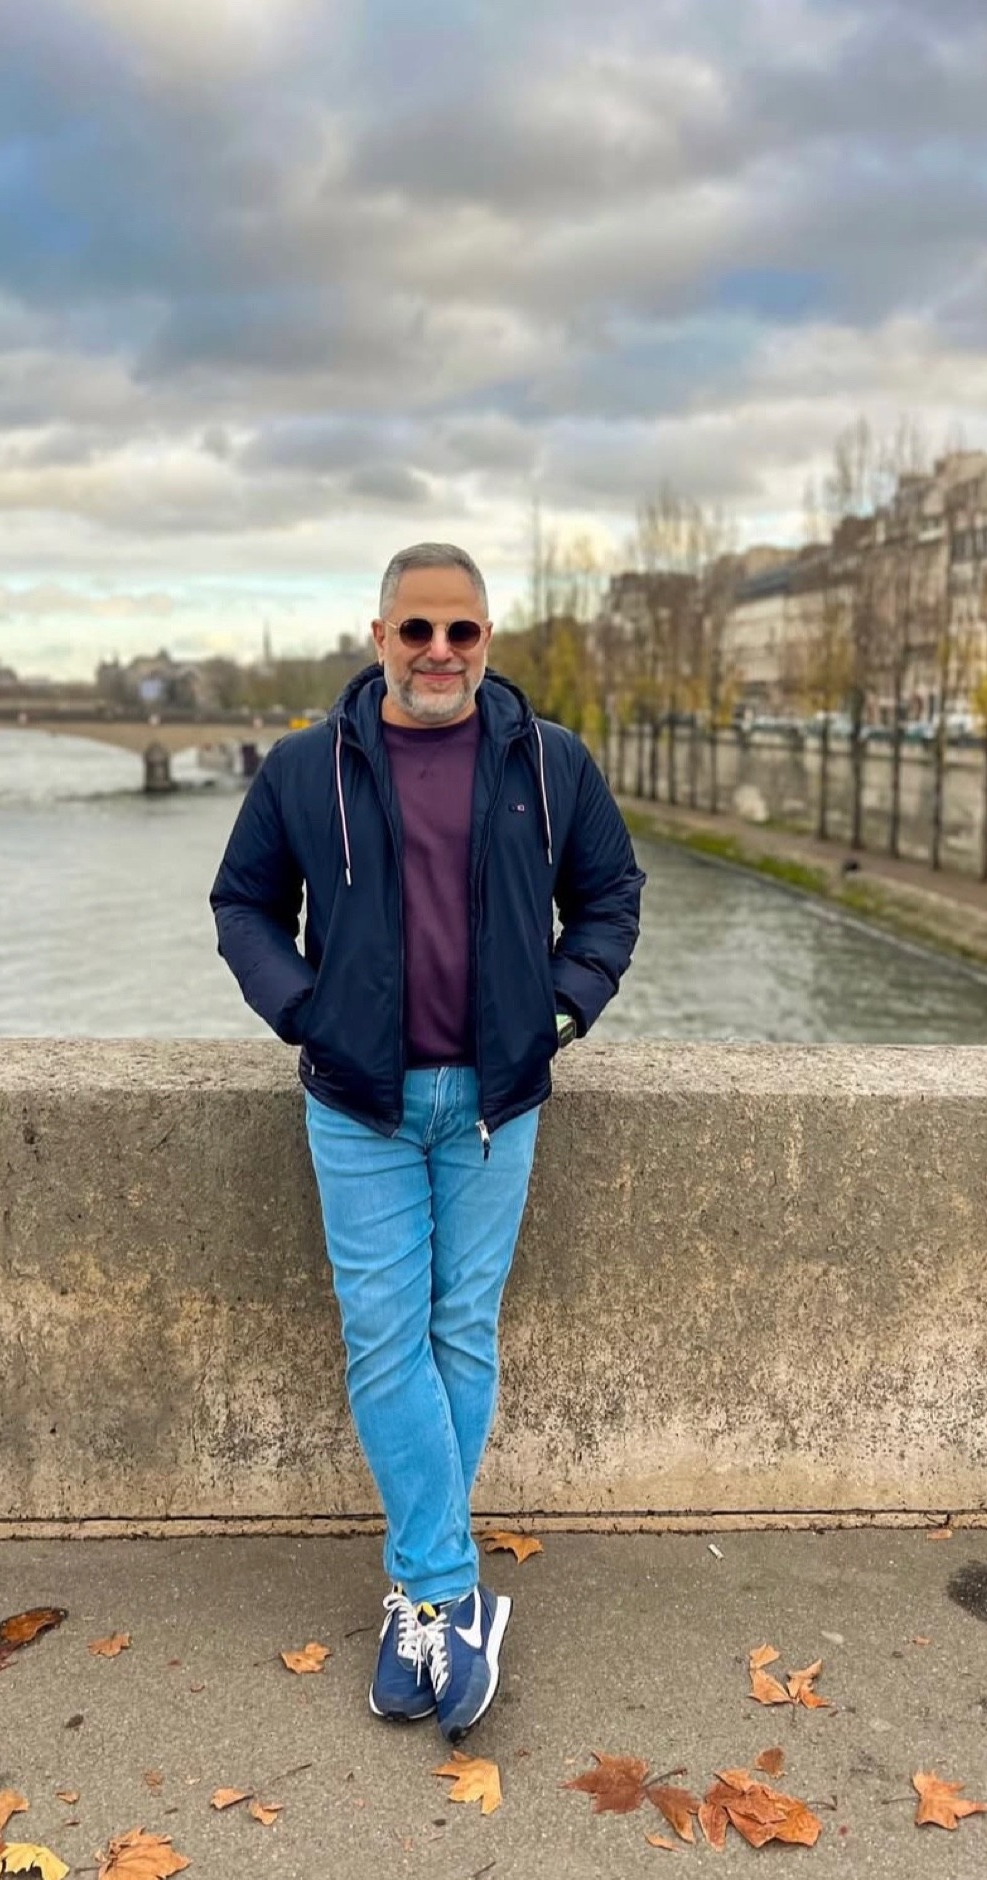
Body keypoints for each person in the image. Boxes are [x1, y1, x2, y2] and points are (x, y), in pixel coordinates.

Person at [210, 541, 644, 1741]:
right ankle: (451, 1597)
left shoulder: (550, 762)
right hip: (360, 1098)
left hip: (498, 1098)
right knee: (383, 1338)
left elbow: (609, 897)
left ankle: (418, 1593)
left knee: (460, 1331)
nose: (439, 652)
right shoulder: (305, 768)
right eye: (418, 630)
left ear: (487, 640)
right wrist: (306, 1011)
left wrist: (563, 1008)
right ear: (380, 638)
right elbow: (243, 903)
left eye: (461, 631)